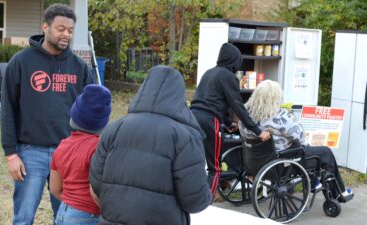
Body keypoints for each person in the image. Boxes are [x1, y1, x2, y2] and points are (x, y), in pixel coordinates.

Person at [0, 4, 93, 225]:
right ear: (45, 27)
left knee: (65, 217)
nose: (66, 34)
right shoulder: (21, 62)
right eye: (61, 28)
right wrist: (11, 154)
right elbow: (8, 110)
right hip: (30, 152)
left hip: (68, 154)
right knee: (23, 217)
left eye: (70, 30)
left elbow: (91, 111)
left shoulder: (79, 68)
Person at [89, 65, 212, 225]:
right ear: (179, 96)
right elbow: (195, 200)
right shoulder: (185, 137)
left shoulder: (114, 128)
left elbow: (96, 184)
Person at [239, 80, 353, 201]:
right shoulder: (280, 116)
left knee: (298, 146)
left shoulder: (245, 115)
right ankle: (338, 192)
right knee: (325, 152)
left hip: (255, 162)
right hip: (281, 163)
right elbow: (300, 136)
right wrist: (292, 118)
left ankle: (314, 182)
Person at [190, 43, 271, 196]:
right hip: (209, 121)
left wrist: (227, 123)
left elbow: (209, 101)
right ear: (235, 61)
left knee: (195, 161)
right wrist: (258, 131)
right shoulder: (229, 77)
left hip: (192, 117)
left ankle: (192, 194)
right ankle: (206, 203)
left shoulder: (209, 73)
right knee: (214, 167)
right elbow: (237, 106)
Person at [50, 84, 111, 225]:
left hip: (63, 213)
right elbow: (95, 193)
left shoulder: (62, 146)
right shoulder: (98, 149)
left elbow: (54, 188)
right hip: (88, 216)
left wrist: (73, 203)